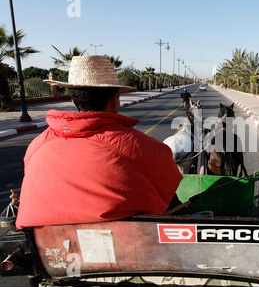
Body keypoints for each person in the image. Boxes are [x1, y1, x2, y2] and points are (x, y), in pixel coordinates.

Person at [15, 55, 183, 229]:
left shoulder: (37, 144)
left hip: (47, 247)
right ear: (114, 100)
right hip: (128, 243)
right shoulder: (140, 146)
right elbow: (170, 184)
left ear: (74, 100)